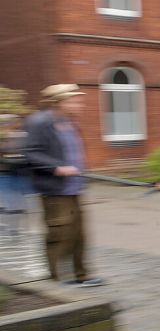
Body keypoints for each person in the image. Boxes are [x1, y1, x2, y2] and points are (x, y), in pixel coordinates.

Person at [22, 84, 103, 286]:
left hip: (75, 186)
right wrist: (56, 167)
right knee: (59, 234)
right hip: (55, 189)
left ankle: (81, 274)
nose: (80, 104)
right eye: (75, 100)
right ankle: (58, 277)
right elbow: (31, 153)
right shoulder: (39, 122)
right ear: (60, 102)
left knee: (79, 234)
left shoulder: (71, 123)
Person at [0, 114, 30, 236]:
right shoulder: (3, 138)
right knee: (8, 201)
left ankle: (14, 228)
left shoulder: (23, 137)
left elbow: (28, 153)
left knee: (17, 202)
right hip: (4, 174)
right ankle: (11, 228)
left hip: (19, 173)